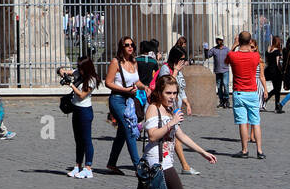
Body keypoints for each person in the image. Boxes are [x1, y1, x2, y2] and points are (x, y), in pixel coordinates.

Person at [142, 74, 217, 189]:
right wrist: (172, 123)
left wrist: (202, 152)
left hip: (166, 160)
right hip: (156, 162)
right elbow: (152, 135)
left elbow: (181, 135)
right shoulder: (154, 109)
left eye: (175, 93)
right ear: (159, 92)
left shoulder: (169, 110)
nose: (172, 96)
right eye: (168, 92)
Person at [104, 37, 146, 173]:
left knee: (122, 133)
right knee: (129, 128)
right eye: (126, 45)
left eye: (132, 45)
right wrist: (125, 90)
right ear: (121, 47)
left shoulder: (134, 62)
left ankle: (111, 163)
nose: (130, 47)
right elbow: (108, 82)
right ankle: (138, 166)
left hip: (129, 100)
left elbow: (137, 81)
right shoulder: (115, 62)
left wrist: (145, 87)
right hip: (117, 99)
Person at [155, 48, 199, 176]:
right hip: (167, 108)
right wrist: (174, 71)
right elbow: (166, 86)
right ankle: (184, 165)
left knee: (173, 136)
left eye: (184, 59)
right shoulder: (166, 69)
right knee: (176, 136)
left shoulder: (179, 72)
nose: (183, 62)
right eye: (181, 59)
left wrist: (187, 103)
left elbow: (181, 88)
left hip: (176, 108)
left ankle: (164, 162)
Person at [226, 30, 269, 157]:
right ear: (250, 42)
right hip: (252, 92)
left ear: (239, 41)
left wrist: (234, 45)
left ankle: (245, 150)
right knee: (256, 122)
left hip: (239, 92)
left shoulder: (233, 55)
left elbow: (226, 61)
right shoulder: (255, 56)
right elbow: (253, 56)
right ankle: (259, 150)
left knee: (242, 122)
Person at [57, 56, 98, 178]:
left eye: (81, 68)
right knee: (78, 140)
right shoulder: (78, 72)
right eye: (78, 67)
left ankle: (88, 168)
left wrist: (71, 85)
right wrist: (61, 71)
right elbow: (66, 71)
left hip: (85, 111)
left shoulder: (92, 80)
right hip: (76, 109)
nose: (79, 70)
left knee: (86, 140)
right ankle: (77, 166)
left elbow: (81, 95)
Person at [205, 36, 231, 108]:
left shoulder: (226, 49)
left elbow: (231, 57)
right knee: (219, 87)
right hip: (217, 70)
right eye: (217, 40)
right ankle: (221, 101)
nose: (218, 41)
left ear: (222, 41)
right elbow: (207, 56)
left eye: (219, 40)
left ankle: (226, 99)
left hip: (225, 69)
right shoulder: (214, 49)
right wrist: (205, 50)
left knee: (225, 85)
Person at [265, 35, 284, 112]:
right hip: (276, 71)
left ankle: (275, 105)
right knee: (277, 89)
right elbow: (277, 63)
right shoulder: (277, 51)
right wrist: (281, 70)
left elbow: (267, 61)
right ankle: (276, 106)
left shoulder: (268, 50)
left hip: (269, 70)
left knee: (275, 88)